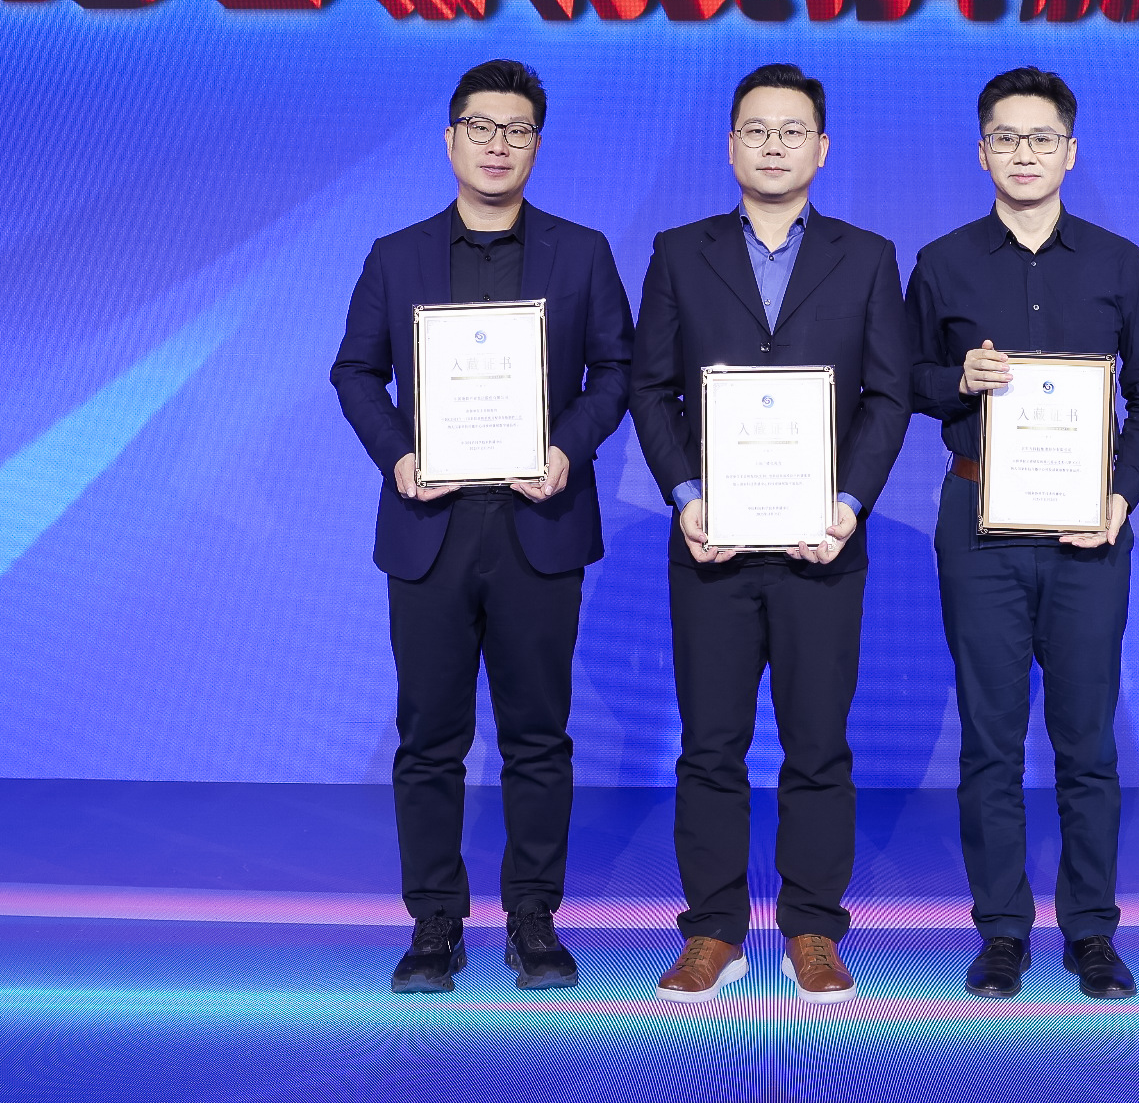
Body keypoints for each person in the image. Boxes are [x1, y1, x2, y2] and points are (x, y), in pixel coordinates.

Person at [331, 59, 635, 994]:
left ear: (537, 144)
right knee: (429, 737)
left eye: (517, 130)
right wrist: (397, 455)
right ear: (451, 138)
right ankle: (435, 922)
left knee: (538, 735)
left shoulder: (581, 253)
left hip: (539, 521)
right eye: (481, 127)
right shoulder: (397, 256)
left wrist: (568, 449)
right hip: (429, 525)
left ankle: (533, 918)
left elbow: (617, 370)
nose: (498, 145)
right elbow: (355, 371)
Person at [626, 63, 912, 1005]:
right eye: (756, 129)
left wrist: (849, 505)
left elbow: (888, 396)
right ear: (730, 146)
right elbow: (650, 388)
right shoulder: (680, 252)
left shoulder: (868, 257)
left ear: (822, 149)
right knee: (710, 745)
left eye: (793, 131)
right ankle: (712, 932)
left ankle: (812, 930)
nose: (774, 145)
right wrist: (685, 494)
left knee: (818, 743)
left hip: (820, 547)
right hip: (711, 544)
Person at [906, 65, 1139, 1002]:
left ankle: (1092, 934)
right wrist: (957, 379)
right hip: (978, 523)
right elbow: (900, 379)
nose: (1023, 154)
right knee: (990, 740)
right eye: (1005, 137)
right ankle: (1001, 934)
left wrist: (1122, 495)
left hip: (1085, 530)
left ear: (1071, 151)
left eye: (1042, 138)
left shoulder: (1117, 262)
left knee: (1085, 740)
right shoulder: (942, 261)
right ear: (981, 150)